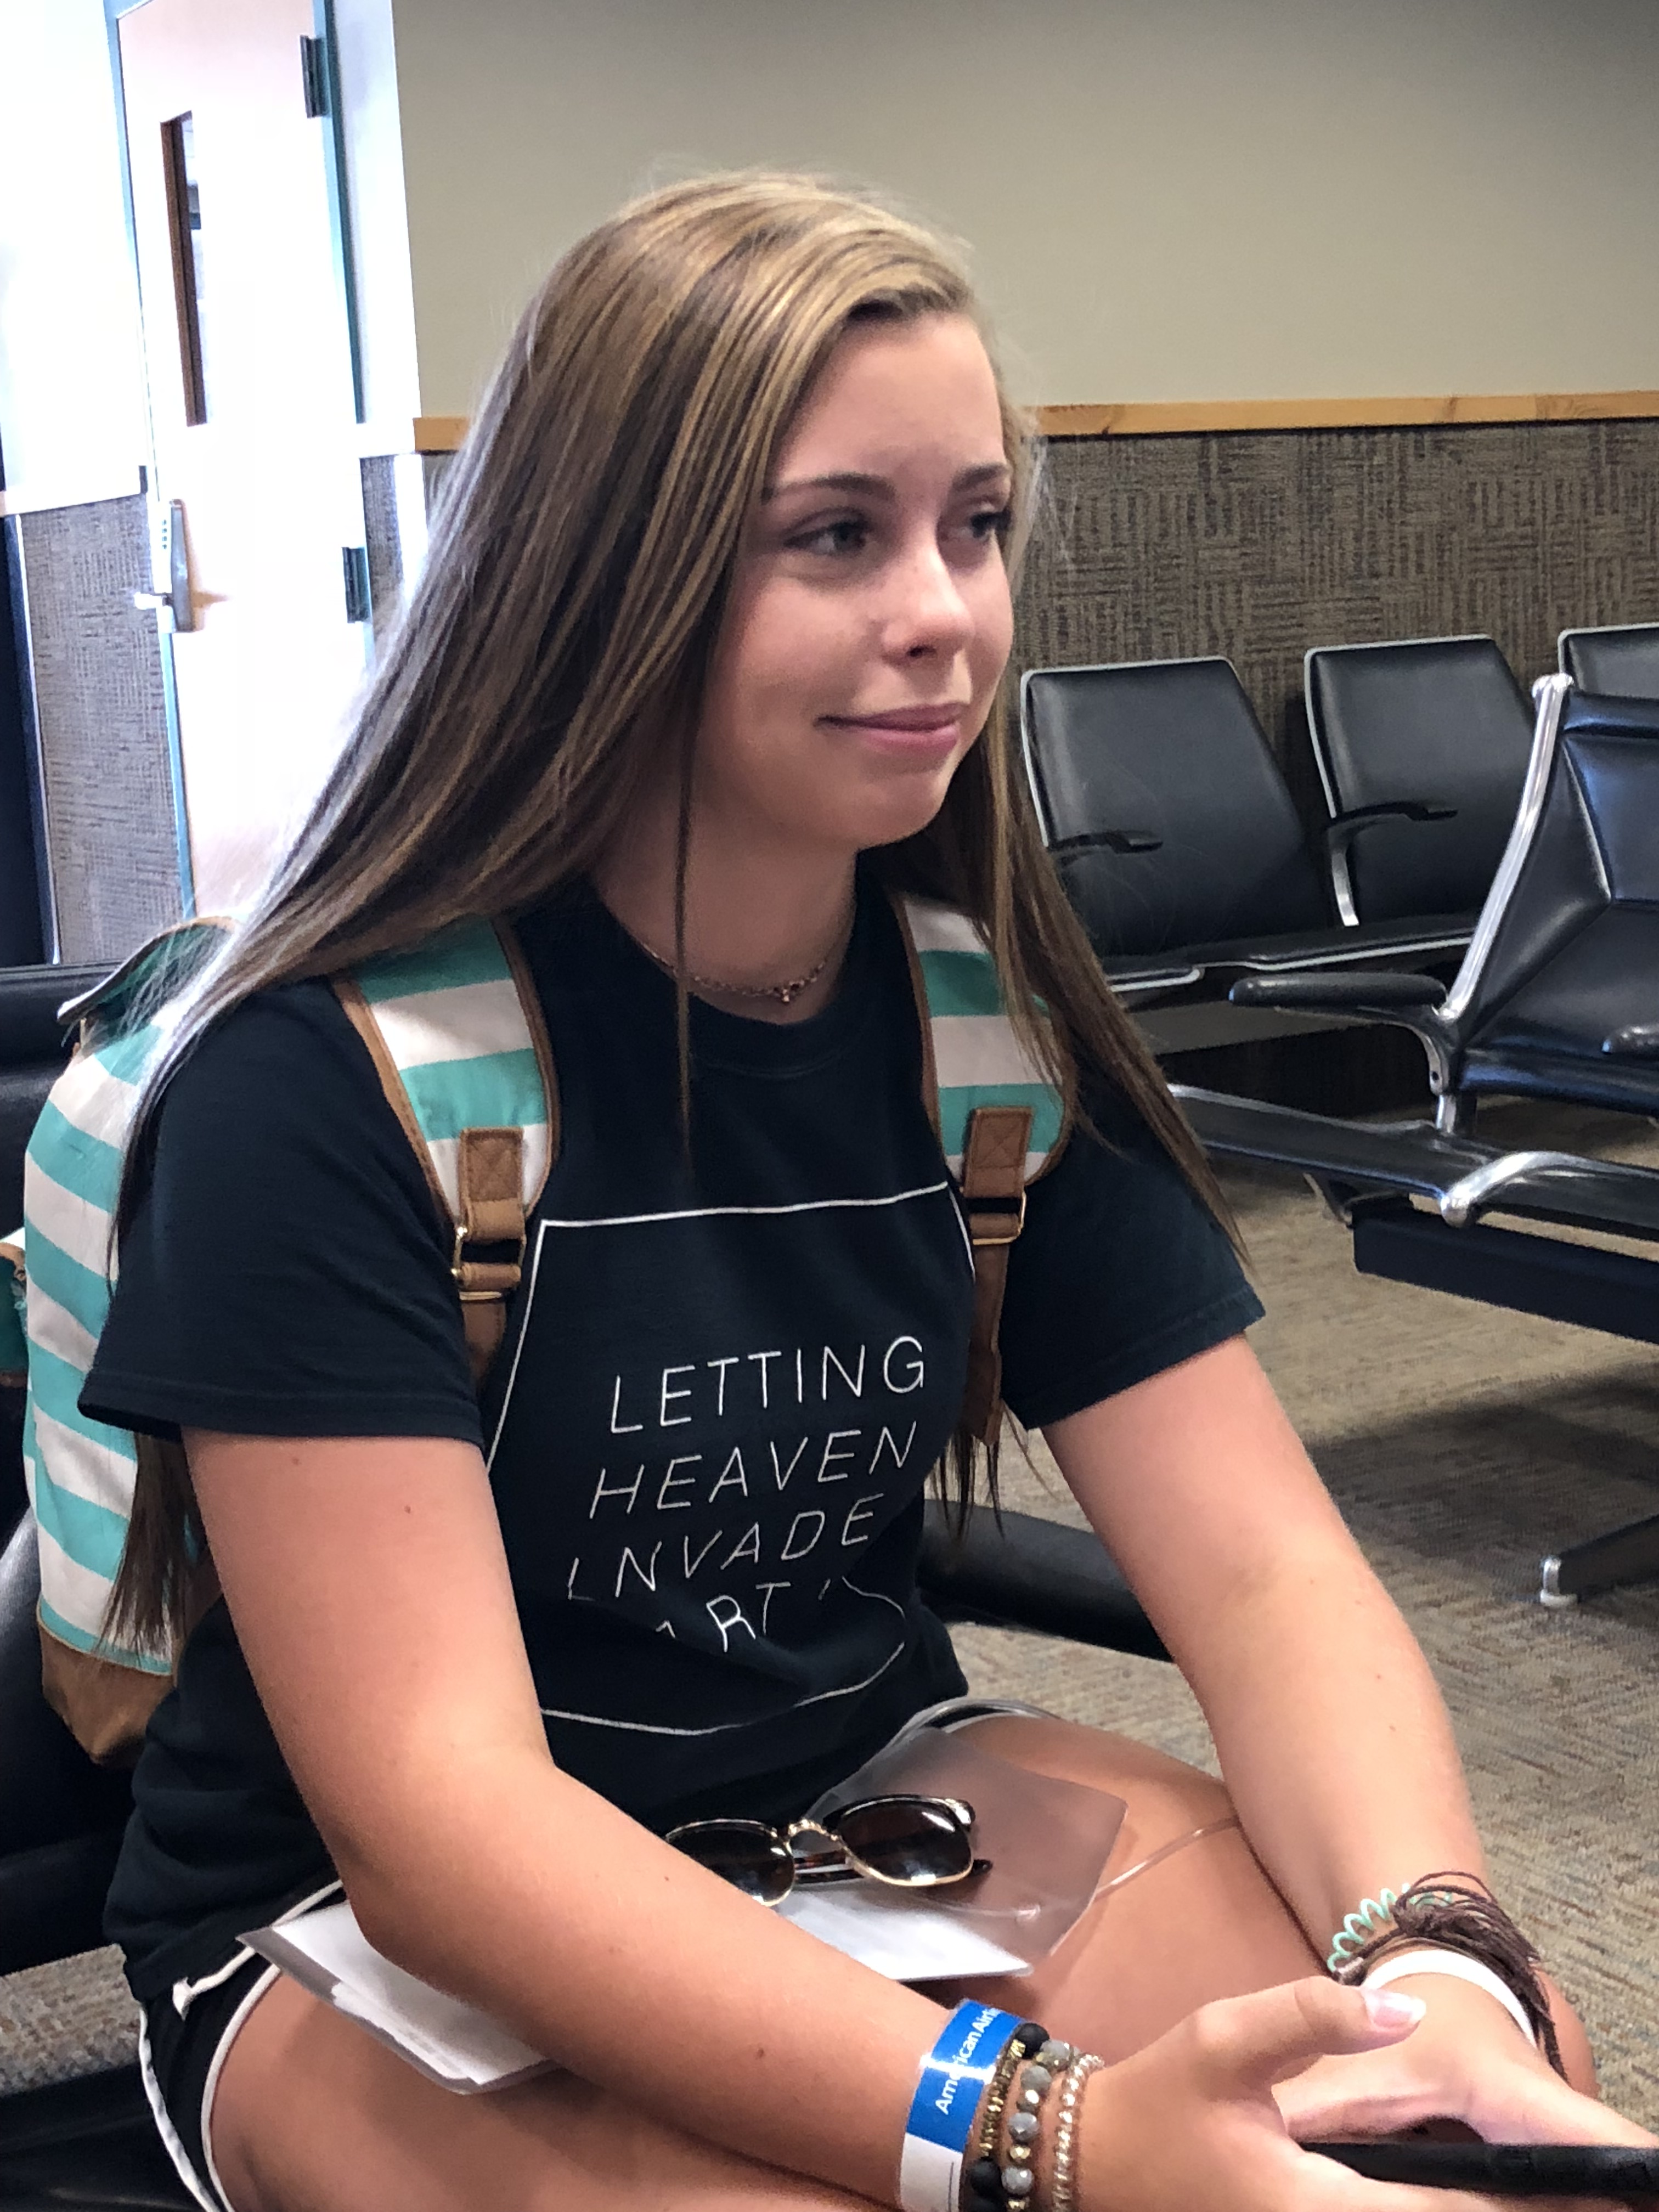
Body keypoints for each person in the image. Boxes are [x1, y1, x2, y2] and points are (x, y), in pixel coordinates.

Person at [81, 174, 1650, 2212]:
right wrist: (1049, 2138)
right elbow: (444, 1831)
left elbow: (1269, 1575)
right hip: (355, 1928)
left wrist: (1433, 1957)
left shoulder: (982, 1039)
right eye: (835, 535)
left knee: (1453, 2113)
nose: (945, 612)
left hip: (854, 1804)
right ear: (604, 577)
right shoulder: (324, 1083)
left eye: (973, 526)